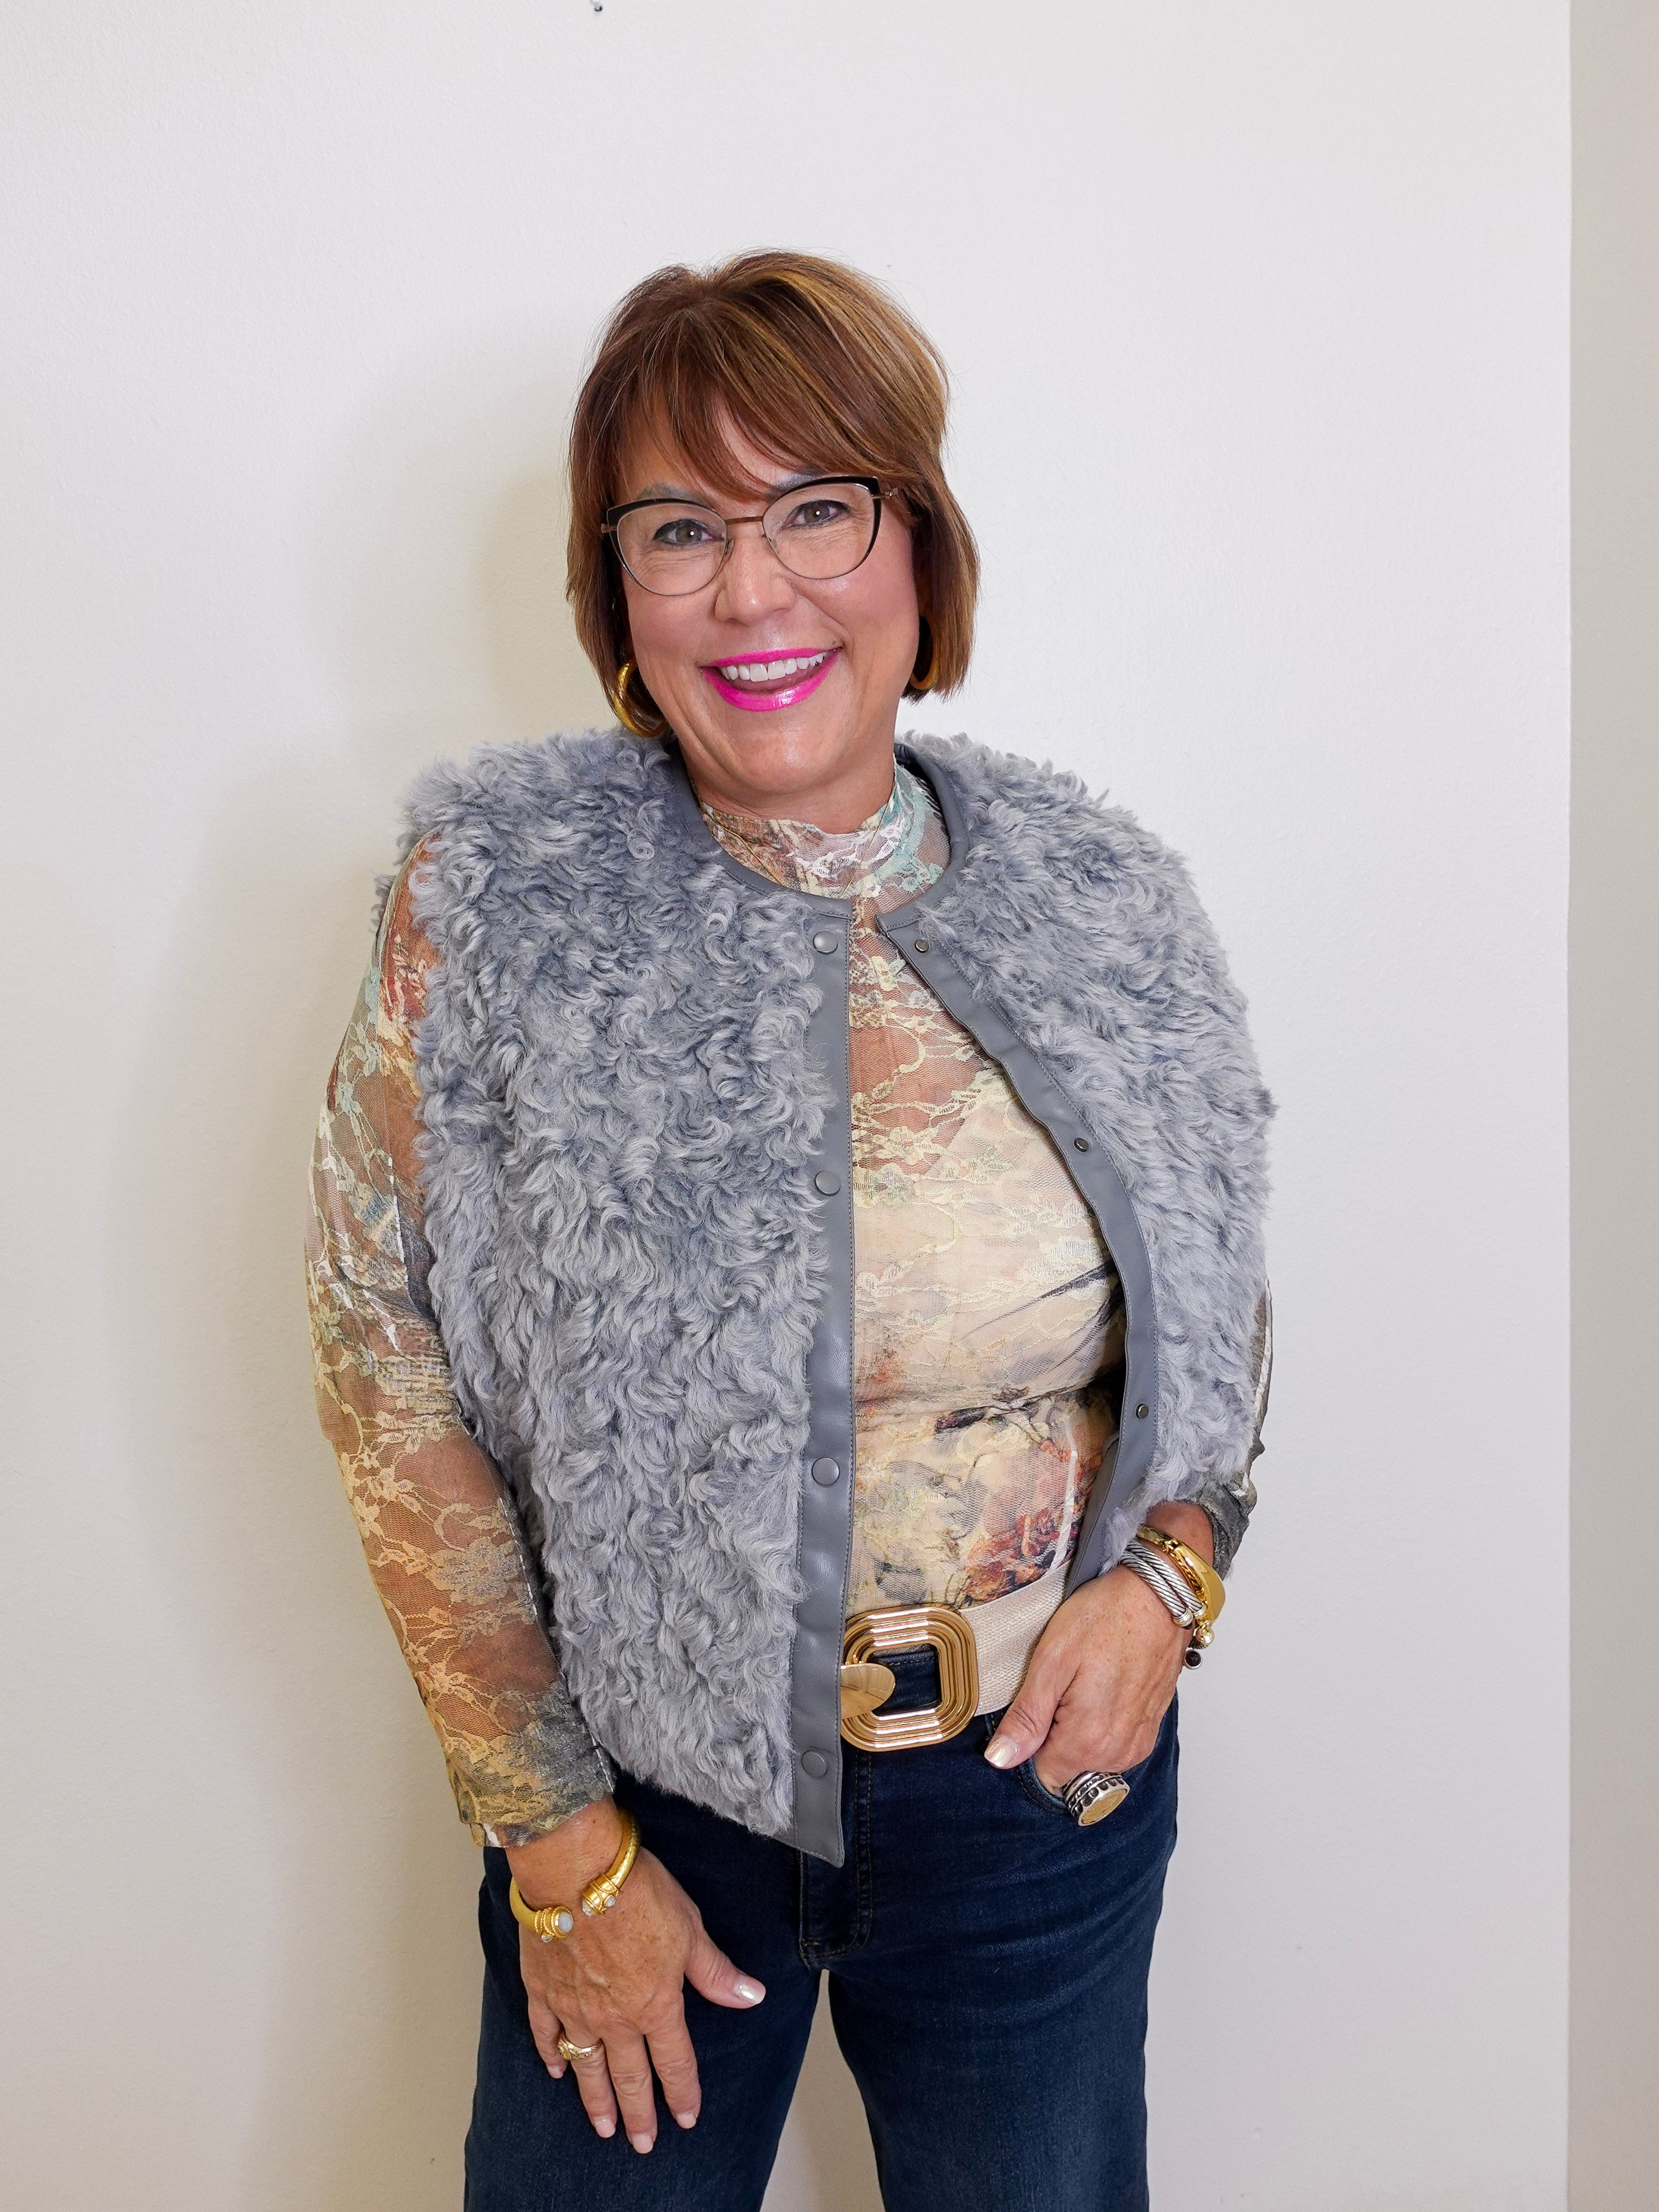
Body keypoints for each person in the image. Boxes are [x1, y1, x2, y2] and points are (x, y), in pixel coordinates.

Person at [307, 249, 1272, 2212]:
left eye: (815, 509)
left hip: (1039, 1795)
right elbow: (381, 1365)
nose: (751, 593)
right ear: (616, 590)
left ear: (917, 543)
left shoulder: (1109, 896)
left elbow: (1222, 1300)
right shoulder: (490, 907)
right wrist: (557, 1844)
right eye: (680, 531)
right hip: (647, 1821)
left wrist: (1167, 1582)